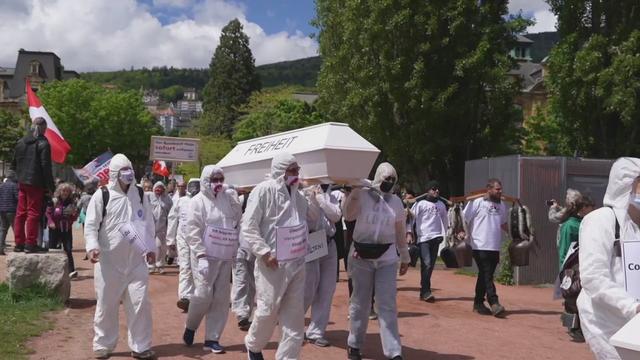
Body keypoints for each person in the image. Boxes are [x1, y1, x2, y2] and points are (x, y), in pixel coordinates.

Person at [242, 152, 315, 360]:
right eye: (293, 170)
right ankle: (254, 346)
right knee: (267, 311)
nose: (297, 174)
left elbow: (308, 223)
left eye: (298, 170)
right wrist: (264, 252)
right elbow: (249, 227)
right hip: (271, 265)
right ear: (281, 171)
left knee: (294, 320)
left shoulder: (300, 198)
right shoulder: (263, 191)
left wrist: (313, 195)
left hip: (297, 264)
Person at [84, 153, 157, 360]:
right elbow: (91, 225)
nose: (128, 174)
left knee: (140, 304)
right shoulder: (103, 195)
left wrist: (151, 248)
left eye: (130, 170)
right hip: (109, 263)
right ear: (115, 174)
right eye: (123, 171)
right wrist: (92, 247)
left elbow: (149, 224)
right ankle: (103, 345)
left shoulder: (141, 195)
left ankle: (141, 346)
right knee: (106, 305)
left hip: (136, 263)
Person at [342, 162, 410, 360]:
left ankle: (393, 351)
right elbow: (348, 214)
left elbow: (399, 231)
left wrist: (404, 256)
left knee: (387, 303)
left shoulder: (396, 202)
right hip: (361, 256)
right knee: (360, 302)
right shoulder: (362, 194)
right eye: (386, 178)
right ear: (378, 177)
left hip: (386, 257)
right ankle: (354, 344)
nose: (389, 182)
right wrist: (354, 191)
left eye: (392, 180)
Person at [577, 158, 640, 359]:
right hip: (605, 322)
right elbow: (593, 277)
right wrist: (632, 306)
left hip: (635, 322)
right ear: (627, 183)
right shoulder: (600, 220)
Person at [182, 166, 242, 354]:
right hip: (205, 256)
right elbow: (192, 230)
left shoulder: (226, 198)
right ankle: (191, 326)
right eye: (214, 180)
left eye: (220, 179)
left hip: (223, 255)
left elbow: (236, 218)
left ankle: (212, 338)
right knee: (203, 294)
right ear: (206, 181)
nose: (218, 183)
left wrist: (233, 199)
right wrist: (200, 255)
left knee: (221, 298)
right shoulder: (197, 202)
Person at [461, 178, 508, 317]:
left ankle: (478, 303)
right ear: (489, 189)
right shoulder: (477, 202)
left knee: (485, 275)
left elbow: (503, 223)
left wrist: (514, 235)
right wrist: (462, 232)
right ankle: (494, 302)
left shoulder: (502, 205)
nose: (500, 191)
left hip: (494, 246)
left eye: (501, 189)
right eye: (497, 189)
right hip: (479, 244)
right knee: (487, 274)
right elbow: (464, 218)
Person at [303, 183, 342, 347]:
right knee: (308, 288)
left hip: (329, 243)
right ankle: (293, 327)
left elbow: (336, 216)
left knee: (326, 289)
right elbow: (310, 217)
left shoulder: (331, 195)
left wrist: (321, 198)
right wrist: (313, 197)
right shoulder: (305, 194)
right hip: (311, 242)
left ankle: (315, 332)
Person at [11, 117, 54, 253]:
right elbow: (45, 167)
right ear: (42, 128)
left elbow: (13, 164)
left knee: (20, 213)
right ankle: (30, 244)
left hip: (22, 181)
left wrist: (19, 177)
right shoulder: (43, 143)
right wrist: (50, 187)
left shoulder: (20, 142)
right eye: (45, 129)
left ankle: (19, 243)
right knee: (33, 213)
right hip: (36, 183)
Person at [407, 180, 448, 302]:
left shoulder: (441, 204)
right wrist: (409, 233)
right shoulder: (420, 204)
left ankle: (424, 290)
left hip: (436, 237)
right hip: (423, 238)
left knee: (430, 266)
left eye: (437, 189)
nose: (436, 191)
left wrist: (445, 234)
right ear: (428, 190)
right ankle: (426, 290)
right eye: (434, 189)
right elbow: (411, 219)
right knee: (427, 263)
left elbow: (445, 221)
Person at [167, 178, 200, 312]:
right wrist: (170, 241)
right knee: (185, 267)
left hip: (199, 240)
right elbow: (172, 219)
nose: (194, 189)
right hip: (183, 239)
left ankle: (199, 297)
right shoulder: (181, 202)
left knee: (197, 269)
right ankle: (185, 297)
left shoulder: (204, 201)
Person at [46, 182, 79, 277]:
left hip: (66, 229)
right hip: (54, 229)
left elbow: (74, 216)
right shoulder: (54, 201)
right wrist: (50, 222)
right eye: (63, 190)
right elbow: (48, 213)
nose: (65, 192)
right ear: (59, 191)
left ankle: (71, 271)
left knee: (68, 249)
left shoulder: (72, 203)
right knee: (52, 249)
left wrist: (73, 217)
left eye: (67, 191)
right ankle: (50, 270)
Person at [148, 181, 172, 273]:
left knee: (160, 247)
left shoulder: (167, 199)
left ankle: (160, 265)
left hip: (162, 228)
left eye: (160, 188)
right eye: (156, 188)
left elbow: (172, 212)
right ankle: (151, 265)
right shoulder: (149, 196)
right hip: (150, 227)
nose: (158, 189)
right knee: (150, 247)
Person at [0, 170, 18, 255]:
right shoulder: (14, 186)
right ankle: (18, 245)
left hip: (2, 210)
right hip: (12, 210)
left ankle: (0, 248)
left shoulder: (1, 186)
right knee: (16, 228)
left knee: (3, 230)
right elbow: (17, 197)